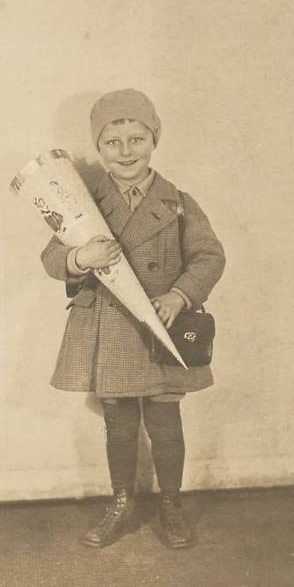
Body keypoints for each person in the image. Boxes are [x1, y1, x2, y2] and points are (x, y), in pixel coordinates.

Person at [41, 89, 225, 549]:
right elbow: (51, 256)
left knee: (165, 423)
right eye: (112, 142)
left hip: (161, 331)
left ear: (154, 138)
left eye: (137, 139)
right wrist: (81, 255)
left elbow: (209, 256)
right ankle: (121, 502)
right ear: (99, 148)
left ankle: (170, 506)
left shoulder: (179, 201)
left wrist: (180, 296)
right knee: (119, 423)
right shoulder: (82, 202)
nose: (126, 152)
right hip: (109, 330)